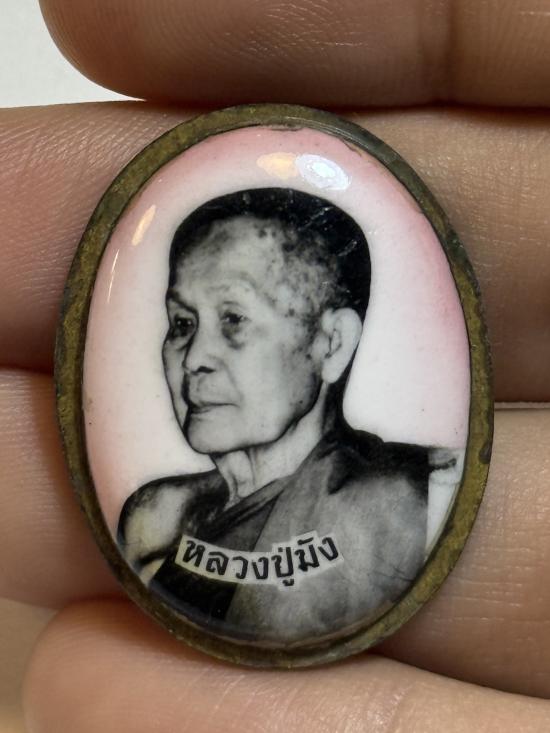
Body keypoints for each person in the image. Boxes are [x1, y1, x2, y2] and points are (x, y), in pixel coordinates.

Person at [117, 187, 447, 642]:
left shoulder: (401, 509)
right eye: (182, 324)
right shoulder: (156, 520)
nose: (194, 359)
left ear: (332, 344)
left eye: (233, 319)